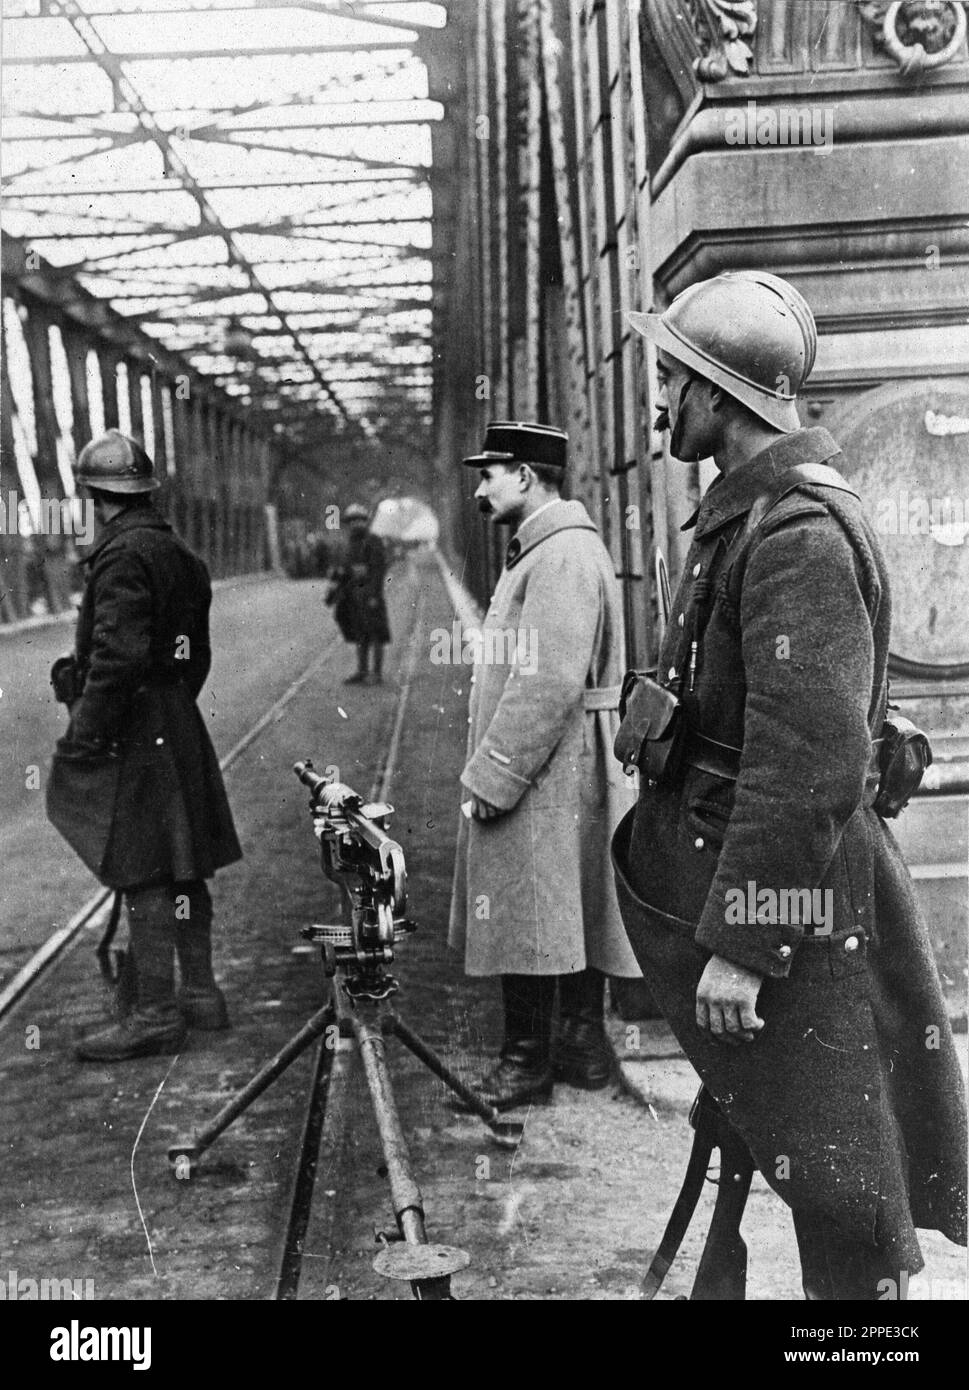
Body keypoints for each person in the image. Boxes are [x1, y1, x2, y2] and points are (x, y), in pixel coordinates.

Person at [613, 272, 967, 1298]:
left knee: (845, 1187)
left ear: (722, 394)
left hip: (798, 910)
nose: (662, 401)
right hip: (775, 889)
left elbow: (802, 769)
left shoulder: (797, 535)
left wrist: (741, 946)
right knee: (804, 1150)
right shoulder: (757, 516)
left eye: (674, 379)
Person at [448, 420, 641, 1111]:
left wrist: (494, 776)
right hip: (564, 760)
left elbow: (549, 680)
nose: (480, 487)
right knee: (565, 904)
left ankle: (526, 1063)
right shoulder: (550, 548)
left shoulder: (557, 556)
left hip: (548, 762)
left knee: (528, 906)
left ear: (525, 477)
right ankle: (578, 1050)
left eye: (489, 473)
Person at [46, 430, 242, 1061]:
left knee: (144, 870)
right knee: (183, 861)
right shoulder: (179, 553)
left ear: (97, 496)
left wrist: (87, 732)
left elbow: (118, 656)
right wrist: (171, 703)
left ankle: (155, 1013)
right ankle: (201, 995)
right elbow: (195, 656)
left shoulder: (123, 556)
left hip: (137, 729)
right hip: (176, 720)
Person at [328, 503, 391, 685]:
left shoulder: (374, 541)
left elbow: (378, 571)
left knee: (376, 634)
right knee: (359, 634)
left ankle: (376, 673)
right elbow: (345, 567)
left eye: (359, 520)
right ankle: (362, 670)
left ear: (365, 521)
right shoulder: (349, 543)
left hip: (370, 594)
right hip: (353, 595)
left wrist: (373, 595)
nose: (356, 524)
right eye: (352, 521)